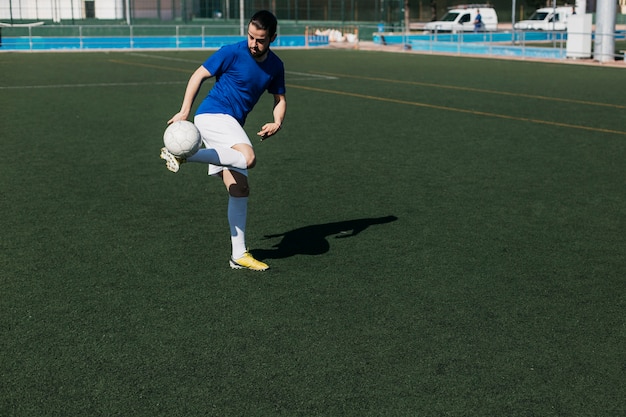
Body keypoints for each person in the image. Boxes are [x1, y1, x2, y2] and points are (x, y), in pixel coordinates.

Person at [160, 9, 286, 271]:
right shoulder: (231, 51)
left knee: (239, 189)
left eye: (260, 39)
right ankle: (185, 154)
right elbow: (198, 75)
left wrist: (277, 122)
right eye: (251, 37)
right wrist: (185, 111)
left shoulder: (276, 66)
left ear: (272, 37)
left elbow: (279, 100)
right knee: (248, 157)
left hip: (230, 124)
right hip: (213, 115)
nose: (253, 43)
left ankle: (238, 255)